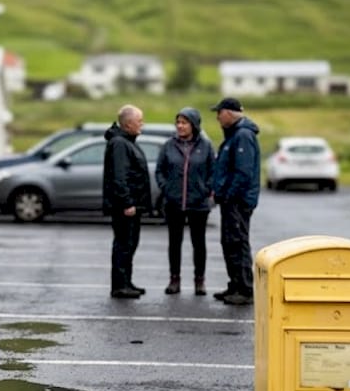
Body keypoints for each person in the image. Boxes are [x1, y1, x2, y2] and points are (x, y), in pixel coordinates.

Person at [154, 108, 215, 296]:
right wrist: (167, 189)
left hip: (198, 204)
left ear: (194, 125)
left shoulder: (205, 146)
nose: (180, 126)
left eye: (184, 122)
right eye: (178, 122)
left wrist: (204, 190)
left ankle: (199, 281)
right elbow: (160, 171)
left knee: (199, 244)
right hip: (174, 203)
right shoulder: (168, 146)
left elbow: (213, 172)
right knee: (174, 243)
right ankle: (174, 279)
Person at [209, 97, 260, 306]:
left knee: (238, 243)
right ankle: (235, 283)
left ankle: (245, 289)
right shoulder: (233, 135)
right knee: (229, 242)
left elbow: (243, 173)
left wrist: (229, 195)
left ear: (229, 113)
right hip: (230, 200)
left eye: (219, 113)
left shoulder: (243, 136)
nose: (217, 117)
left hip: (237, 202)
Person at [102, 104, 152, 299]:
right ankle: (120, 285)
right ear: (128, 124)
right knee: (123, 244)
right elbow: (119, 177)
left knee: (130, 244)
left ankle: (126, 281)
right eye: (140, 121)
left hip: (132, 206)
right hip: (125, 207)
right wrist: (127, 203)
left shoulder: (127, 141)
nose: (142, 124)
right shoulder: (120, 144)